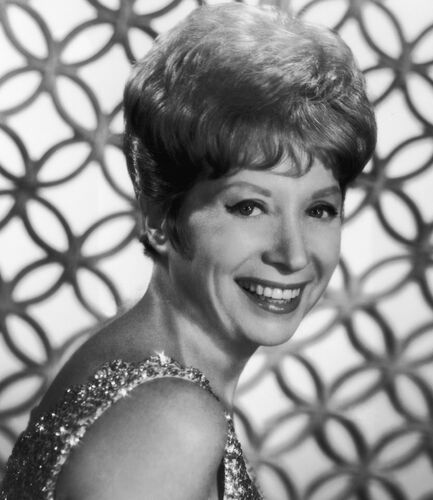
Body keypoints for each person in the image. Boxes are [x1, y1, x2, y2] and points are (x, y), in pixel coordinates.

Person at [0, 3, 376, 499]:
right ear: (161, 215)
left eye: (320, 209)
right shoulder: (171, 423)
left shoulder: (138, 364)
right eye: (249, 207)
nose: (294, 255)